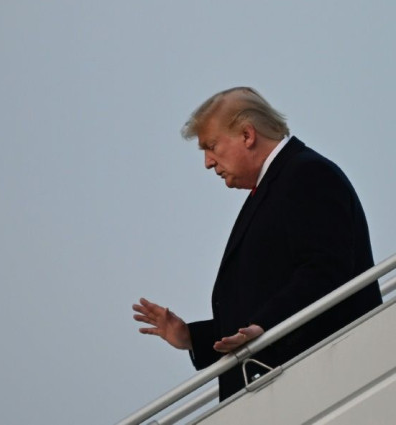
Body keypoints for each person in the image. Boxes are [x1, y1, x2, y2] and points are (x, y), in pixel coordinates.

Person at [133, 86, 382, 400]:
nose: (208, 163)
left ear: (247, 135)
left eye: (211, 146)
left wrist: (265, 326)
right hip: (290, 384)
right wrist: (192, 338)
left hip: (318, 381)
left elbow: (324, 273)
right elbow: (265, 306)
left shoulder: (307, 174)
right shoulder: (283, 181)